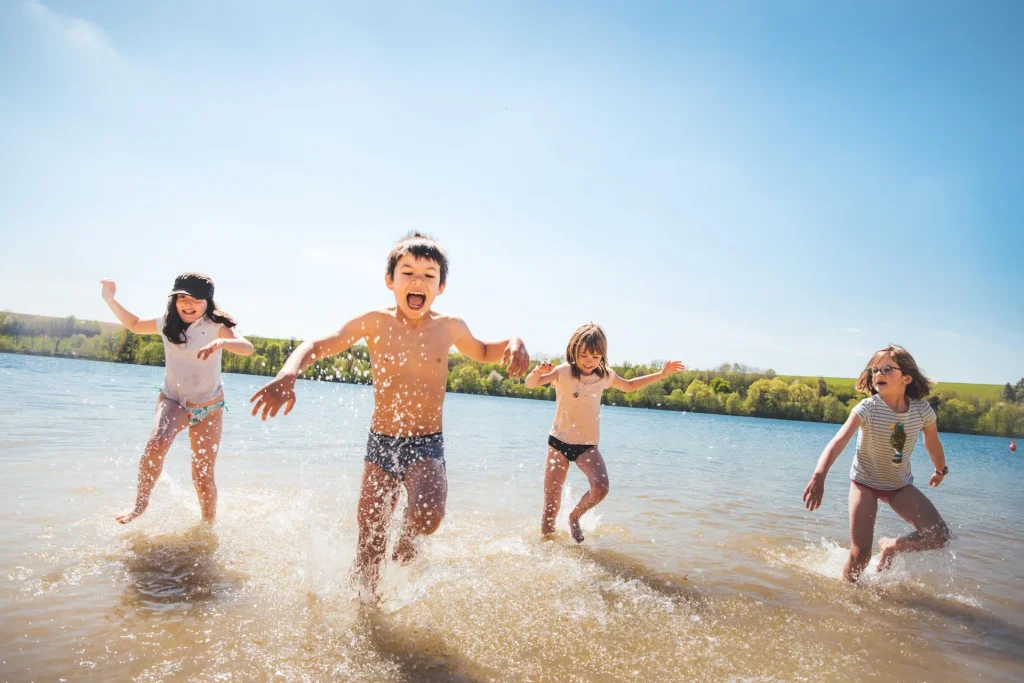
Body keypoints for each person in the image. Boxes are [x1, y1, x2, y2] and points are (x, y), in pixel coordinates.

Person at [249, 233, 529, 592]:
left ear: (440, 287)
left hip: (426, 445)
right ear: (389, 281)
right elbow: (316, 344)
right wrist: (289, 372)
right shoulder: (374, 322)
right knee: (369, 546)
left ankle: (407, 544)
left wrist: (514, 342)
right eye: (408, 272)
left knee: (425, 519)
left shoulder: (449, 327)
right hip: (381, 445)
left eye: (429, 275)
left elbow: (486, 350)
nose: (418, 281)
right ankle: (365, 615)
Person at [100, 273, 253, 524]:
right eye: (182, 297)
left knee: (202, 476)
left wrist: (222, 342)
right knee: (157, 443)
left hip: (209, 408)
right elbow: (135, 324)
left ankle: (208, 524)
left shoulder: (217, 326)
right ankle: (140, 505)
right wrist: (110, 299)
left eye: (195, 298)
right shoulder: (166, 323)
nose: (187, 303)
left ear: (207, 301)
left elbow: (247, 348)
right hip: (173, 401)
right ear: (174, 299)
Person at [802, 345, 951, 581]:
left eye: (887, 369)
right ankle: (848, 596)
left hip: (899, 486)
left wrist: (940, 471)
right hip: (864, 483)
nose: (878, 374)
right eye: (874, 370)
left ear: (907, 377)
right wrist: (819, 476)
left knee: (939, 535)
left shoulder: (922, 412)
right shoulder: (868, 408)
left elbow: (932, 444)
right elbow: (838, 441)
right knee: (860, 554)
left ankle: (892, 546)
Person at [524, 323, 684, 542]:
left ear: (602, 357)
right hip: (558, 443)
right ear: (573, 351)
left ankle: (574, 517)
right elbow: (531, 384)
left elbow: (629, 385)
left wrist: (662, 374)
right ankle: (547, 550)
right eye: (584, 356)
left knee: (601, 488)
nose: (589, 361)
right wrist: (537, 372)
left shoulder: (604, 376)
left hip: (587, 446)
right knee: (551, 504)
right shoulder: (562, 371)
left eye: (595, 356)